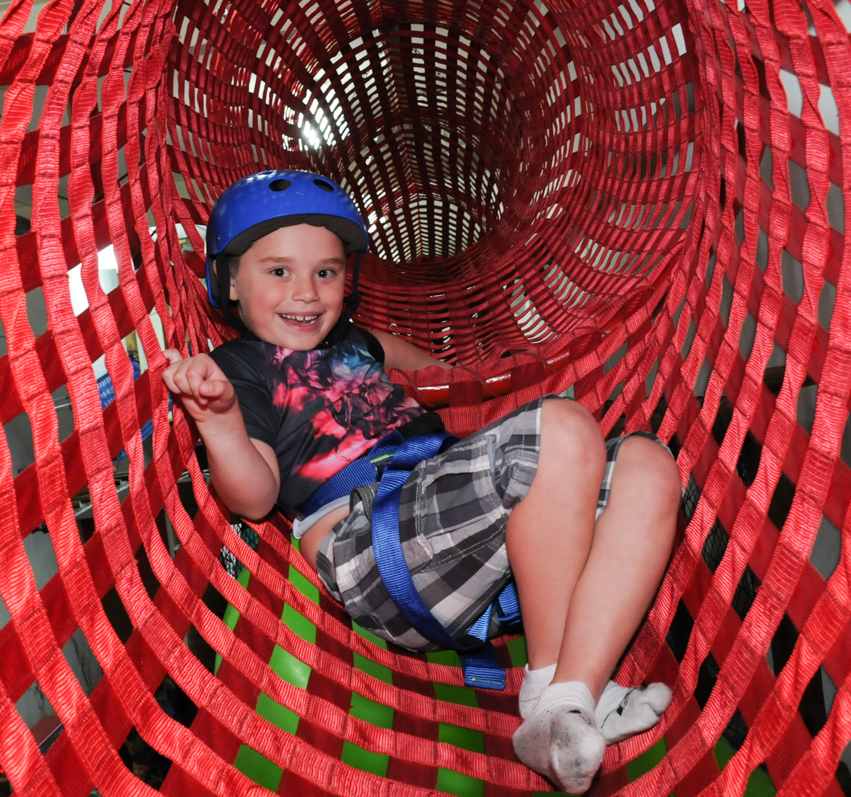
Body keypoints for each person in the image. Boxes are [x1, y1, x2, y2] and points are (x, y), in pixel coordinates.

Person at [162, 170, 678, 793]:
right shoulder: (240, 367)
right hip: (370, 548)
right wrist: (219, 425)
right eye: (278, 271)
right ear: (230, 284)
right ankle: (548, 696)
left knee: (648, 464)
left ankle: (577, 695)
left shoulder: (350, 341)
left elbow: (398, 349)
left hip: (474, 538)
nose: (306, 291)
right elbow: (255, 497)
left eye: (326, 271)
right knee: (561, 428)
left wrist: (461, 372)